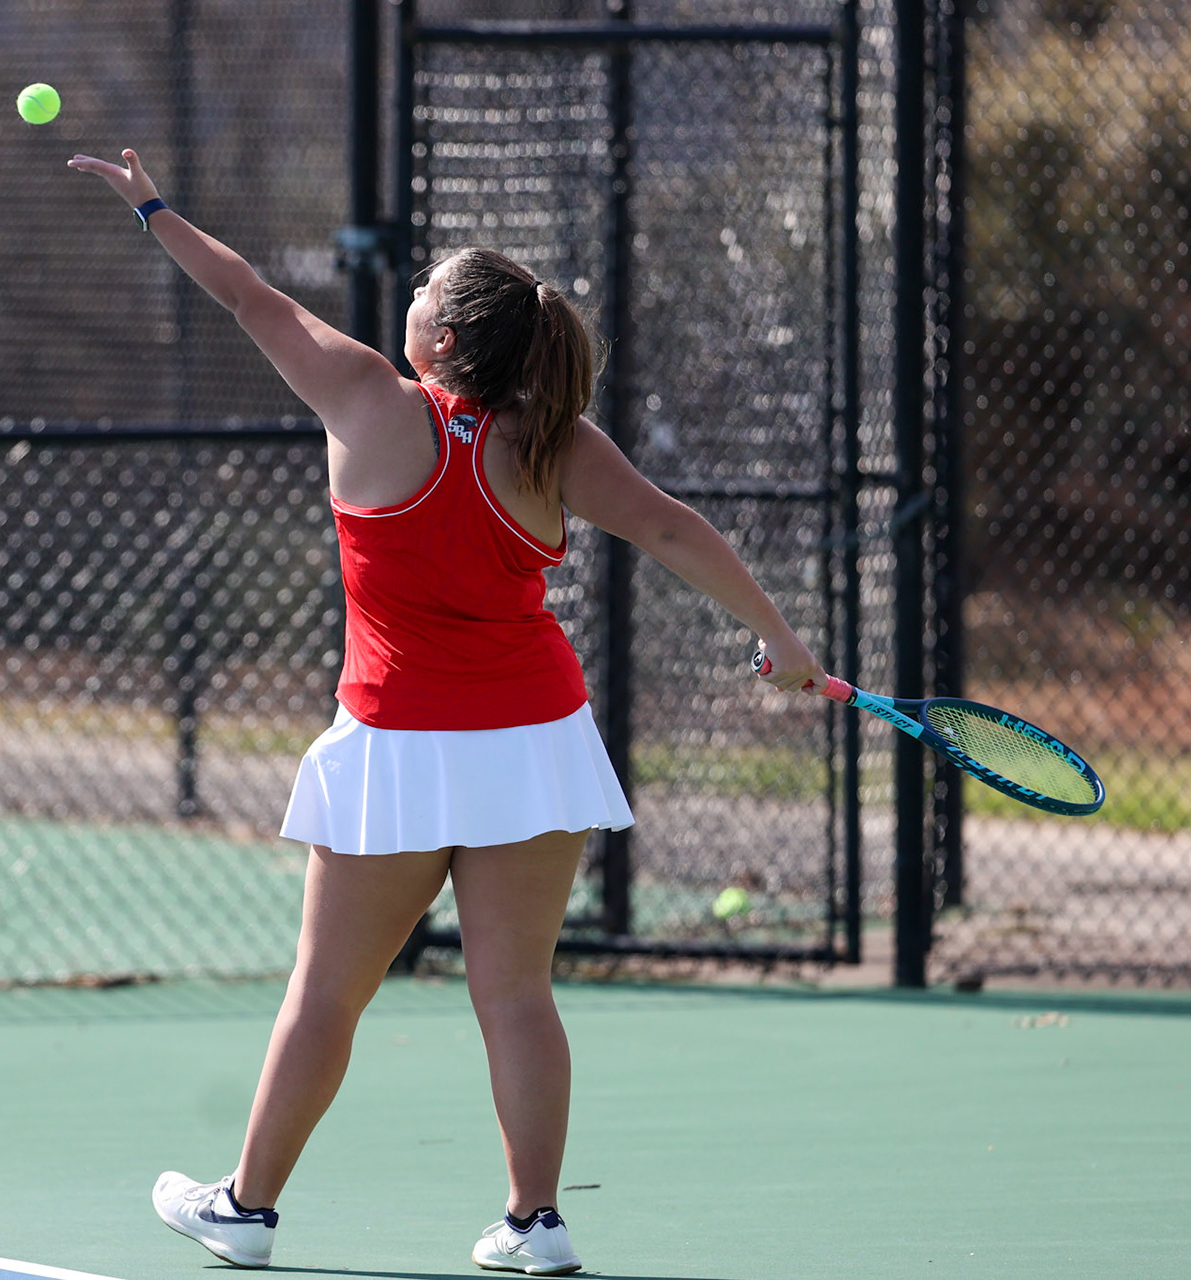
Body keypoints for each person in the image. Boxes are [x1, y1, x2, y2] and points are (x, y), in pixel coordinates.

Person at [67, 148, 823, 1275]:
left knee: (327, 992)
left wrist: (154, 209)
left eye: (424, 288)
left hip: (398, 745)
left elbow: (250, 297)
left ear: (442, 342)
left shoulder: (367, 398)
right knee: (517, 991)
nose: (408, 295)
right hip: (535, 743)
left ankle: (245, 1207)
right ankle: (536, 1221)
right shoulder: (556, 443)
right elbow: (672, 528)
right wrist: (784, 638)